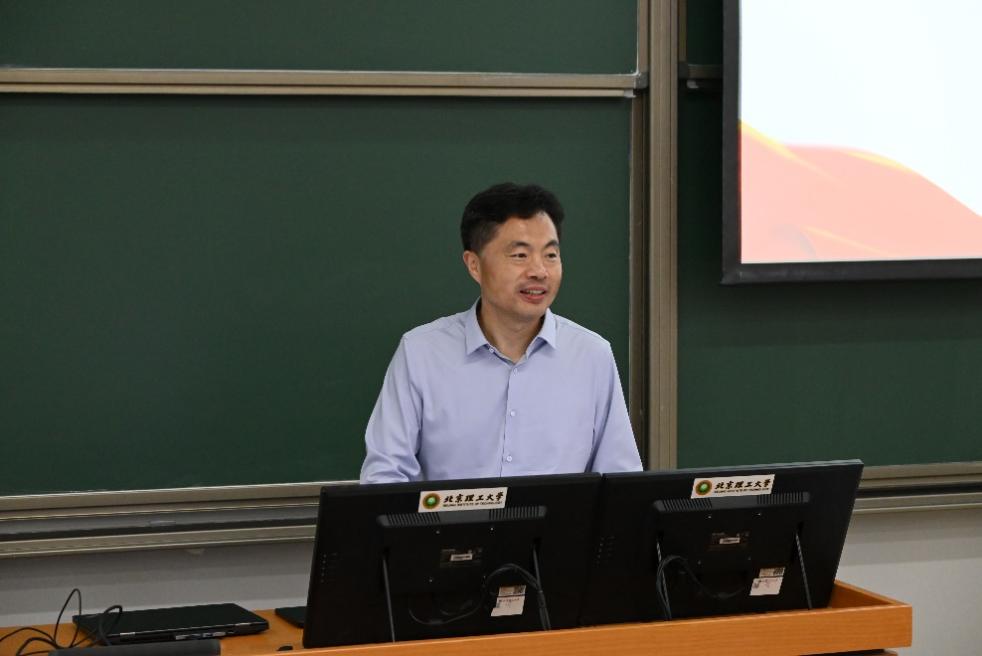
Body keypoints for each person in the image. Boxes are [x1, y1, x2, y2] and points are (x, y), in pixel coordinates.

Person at [359, 182, 642, 483]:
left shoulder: (591, 356)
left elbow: (620, 480)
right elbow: (385, 476)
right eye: (520, 255)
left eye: (550, 255)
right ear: (474, 265)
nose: (539, 271)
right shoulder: (421, 353)